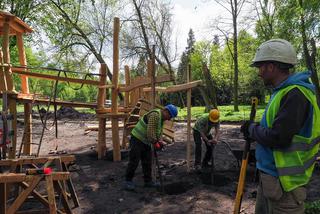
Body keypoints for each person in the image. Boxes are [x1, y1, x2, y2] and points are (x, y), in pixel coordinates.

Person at [241, 39, 320, 214]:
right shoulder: (282, 92)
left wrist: (251, 130)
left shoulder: (295, 95)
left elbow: (279, 137)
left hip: (286, 186)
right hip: (272, 179)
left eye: (260, 67)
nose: (259, 73)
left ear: (271, 67)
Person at [124, 104, 178, 191]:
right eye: (170, 116)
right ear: (166, 111)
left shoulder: (161, 119)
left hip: (145, 141)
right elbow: (150, 133)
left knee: (147, 161)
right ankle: (128, 181)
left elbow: (159, 132)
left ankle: (147, 181)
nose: (169, 119)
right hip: (137, 139)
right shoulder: (155, 115)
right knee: (134, 160)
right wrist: (156, 143)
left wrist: (160, 141)